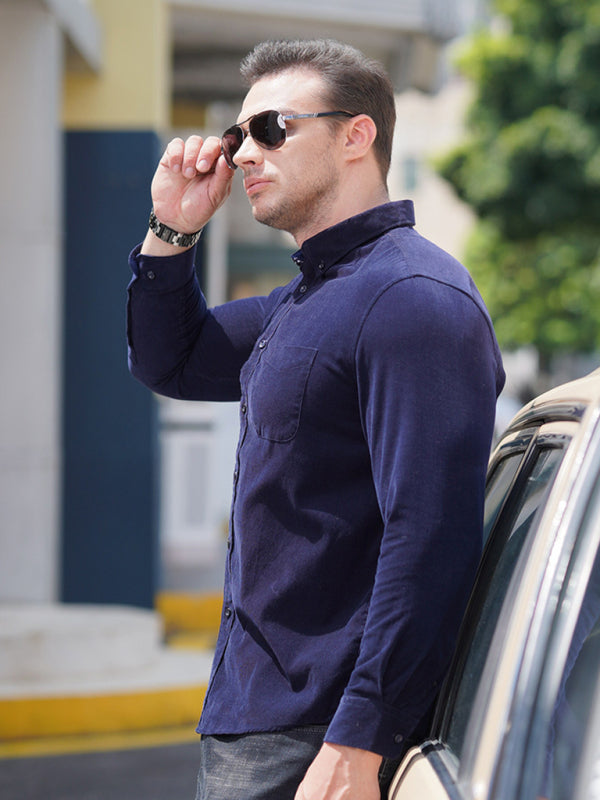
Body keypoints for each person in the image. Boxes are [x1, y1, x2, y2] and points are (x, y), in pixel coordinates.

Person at [127, 39, 505, 800]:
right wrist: (172, 229)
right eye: (237, 136)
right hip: (259, 715)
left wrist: (359, 740)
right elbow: (171, 362)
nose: (242, 154)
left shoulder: (412, 300)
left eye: (271, 129)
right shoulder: (308, 298)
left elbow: (430, 534)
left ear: (357, 135)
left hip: (319, 732)